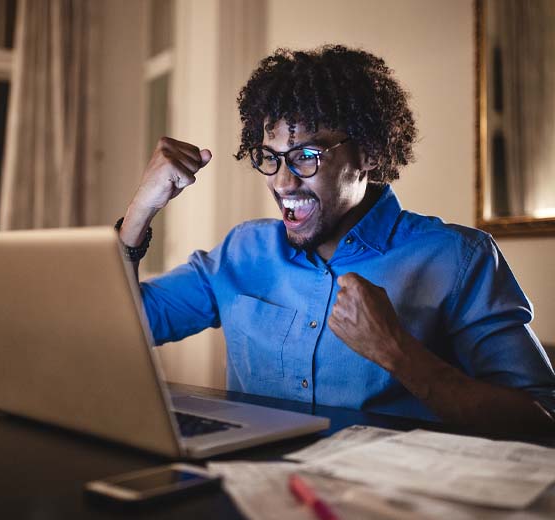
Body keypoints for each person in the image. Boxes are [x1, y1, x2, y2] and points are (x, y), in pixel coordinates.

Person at [117, 45, 555, 433]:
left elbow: (540, 420)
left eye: (306, 156)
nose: (283, 182)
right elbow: (125, 327)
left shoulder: (458, 259)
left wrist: (398, 352)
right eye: (269, 158)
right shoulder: (241, 252)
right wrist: (141, 210)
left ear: (368, 154)